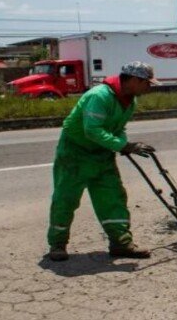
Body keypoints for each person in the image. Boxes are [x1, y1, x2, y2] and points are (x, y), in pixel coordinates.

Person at [46, 61, 159, 261]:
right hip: (75, 153)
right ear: (134, 80)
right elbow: (92, 130)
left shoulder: (129, 101)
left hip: (102, 155)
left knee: (113, 198)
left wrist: (123, 144)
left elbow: (119, 129)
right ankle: (57, 244)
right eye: (147, 83)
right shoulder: (100, 96)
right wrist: (123, 146)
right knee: (66, 198)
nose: (149, 88)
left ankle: (121, 243)